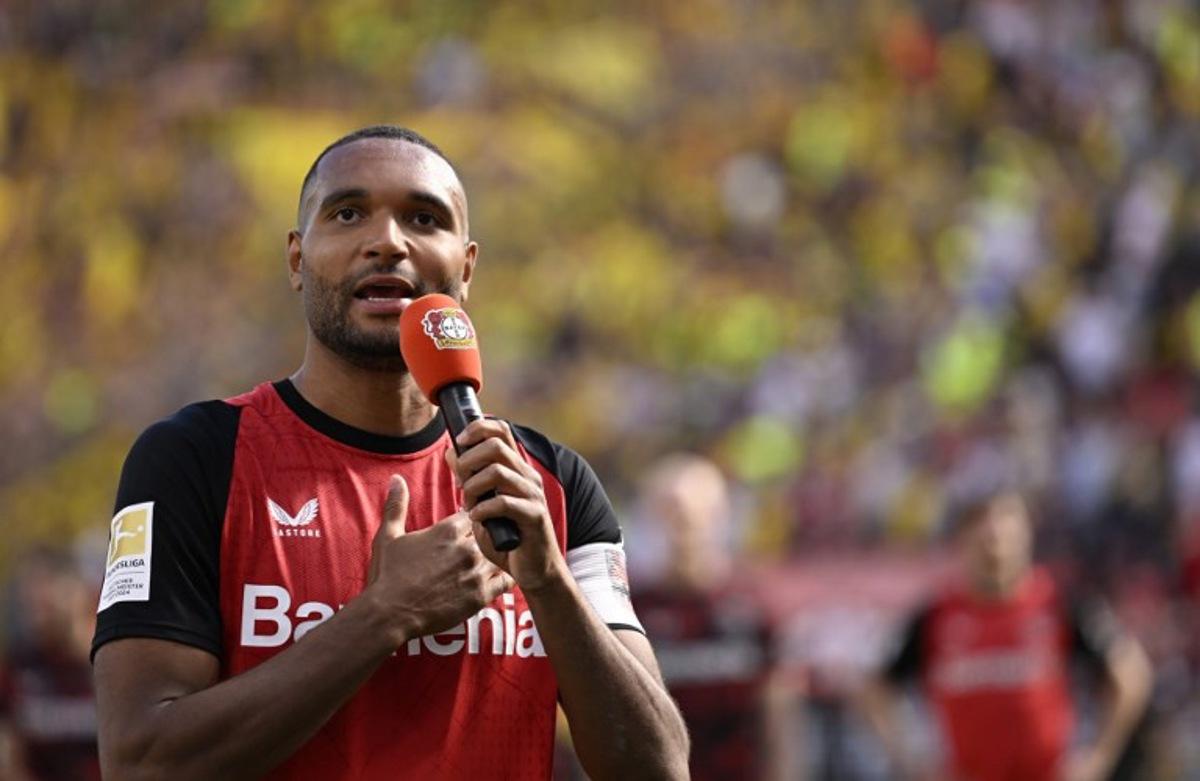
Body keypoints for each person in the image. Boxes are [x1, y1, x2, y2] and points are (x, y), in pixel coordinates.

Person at [90, 125, 689, 780]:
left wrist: (548, 580)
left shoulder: (551, 484)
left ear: (465, 266)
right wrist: (383, 615)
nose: (388, 241)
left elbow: (658, 768)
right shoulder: (191, 459)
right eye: (348, 213)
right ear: (297, 260)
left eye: (423, 218)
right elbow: (141, 761)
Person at [859, 490, 1152, 781]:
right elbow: (873, 685)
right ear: (963, 542)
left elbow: (1130, 671)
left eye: (1004, 538)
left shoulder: (1059, 604)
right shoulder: (936, 615)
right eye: (984, 539)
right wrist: (911, 758)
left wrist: (1100, 755)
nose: (995, 550)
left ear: (1026, 539)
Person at [629, 453, 801, 781]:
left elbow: (781, 716)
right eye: (667, 513)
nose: (681, 527)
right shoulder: (629, 609)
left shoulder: (755, 606)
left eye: (690, 513)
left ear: (719, 516)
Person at [0, 546, 100, 781]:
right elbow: (11, 759)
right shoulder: (19, 667)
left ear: (76, 591)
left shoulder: (109, 663)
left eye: (44, 587)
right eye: (28, 592)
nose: (35, 601)